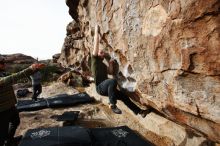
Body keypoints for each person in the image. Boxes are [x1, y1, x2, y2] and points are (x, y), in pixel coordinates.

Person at [91, 25, 151, 116]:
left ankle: (140, 112)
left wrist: (111, 63)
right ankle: (112, 104)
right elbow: (96, 43)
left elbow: (110, 72)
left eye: (103, 52)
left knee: (124, 97)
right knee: (112, 81)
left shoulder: (103, 65)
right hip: (100, 87)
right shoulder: (94, 60)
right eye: (100, 51)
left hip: (106, 87)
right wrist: (96, 31)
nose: (101, 52)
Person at [0, 58, 45, 146]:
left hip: (10, 106)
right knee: (2, 133)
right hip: (2, 110)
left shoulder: (2, 73)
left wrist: (35, 69)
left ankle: (9, 140)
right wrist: (30, 69)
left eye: (3, 63)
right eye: (1, 63)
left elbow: (14, 77)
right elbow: (12, 78)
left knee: (15, 121)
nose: (4, 65)